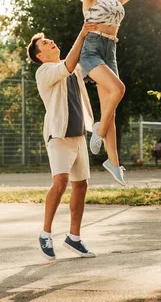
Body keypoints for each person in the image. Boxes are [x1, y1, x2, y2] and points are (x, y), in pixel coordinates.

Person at [77, 0, 148, 186]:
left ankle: (114, 163)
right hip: (92, 50)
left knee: (112, 110)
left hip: (110, 50)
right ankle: (98, 129)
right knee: (119, 89)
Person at [27, 21, 98, 262]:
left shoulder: (74, 69)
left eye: (49, 39)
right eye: (45, 43)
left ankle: (74, 238)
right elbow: (68, 64)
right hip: (58, 135)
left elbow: (81, 67)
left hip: (78, 134)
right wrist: (83, 30)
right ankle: (46, 234)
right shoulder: (44, 72)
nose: (50, 42)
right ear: (40, 54)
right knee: (61, 182)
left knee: (81, 185)